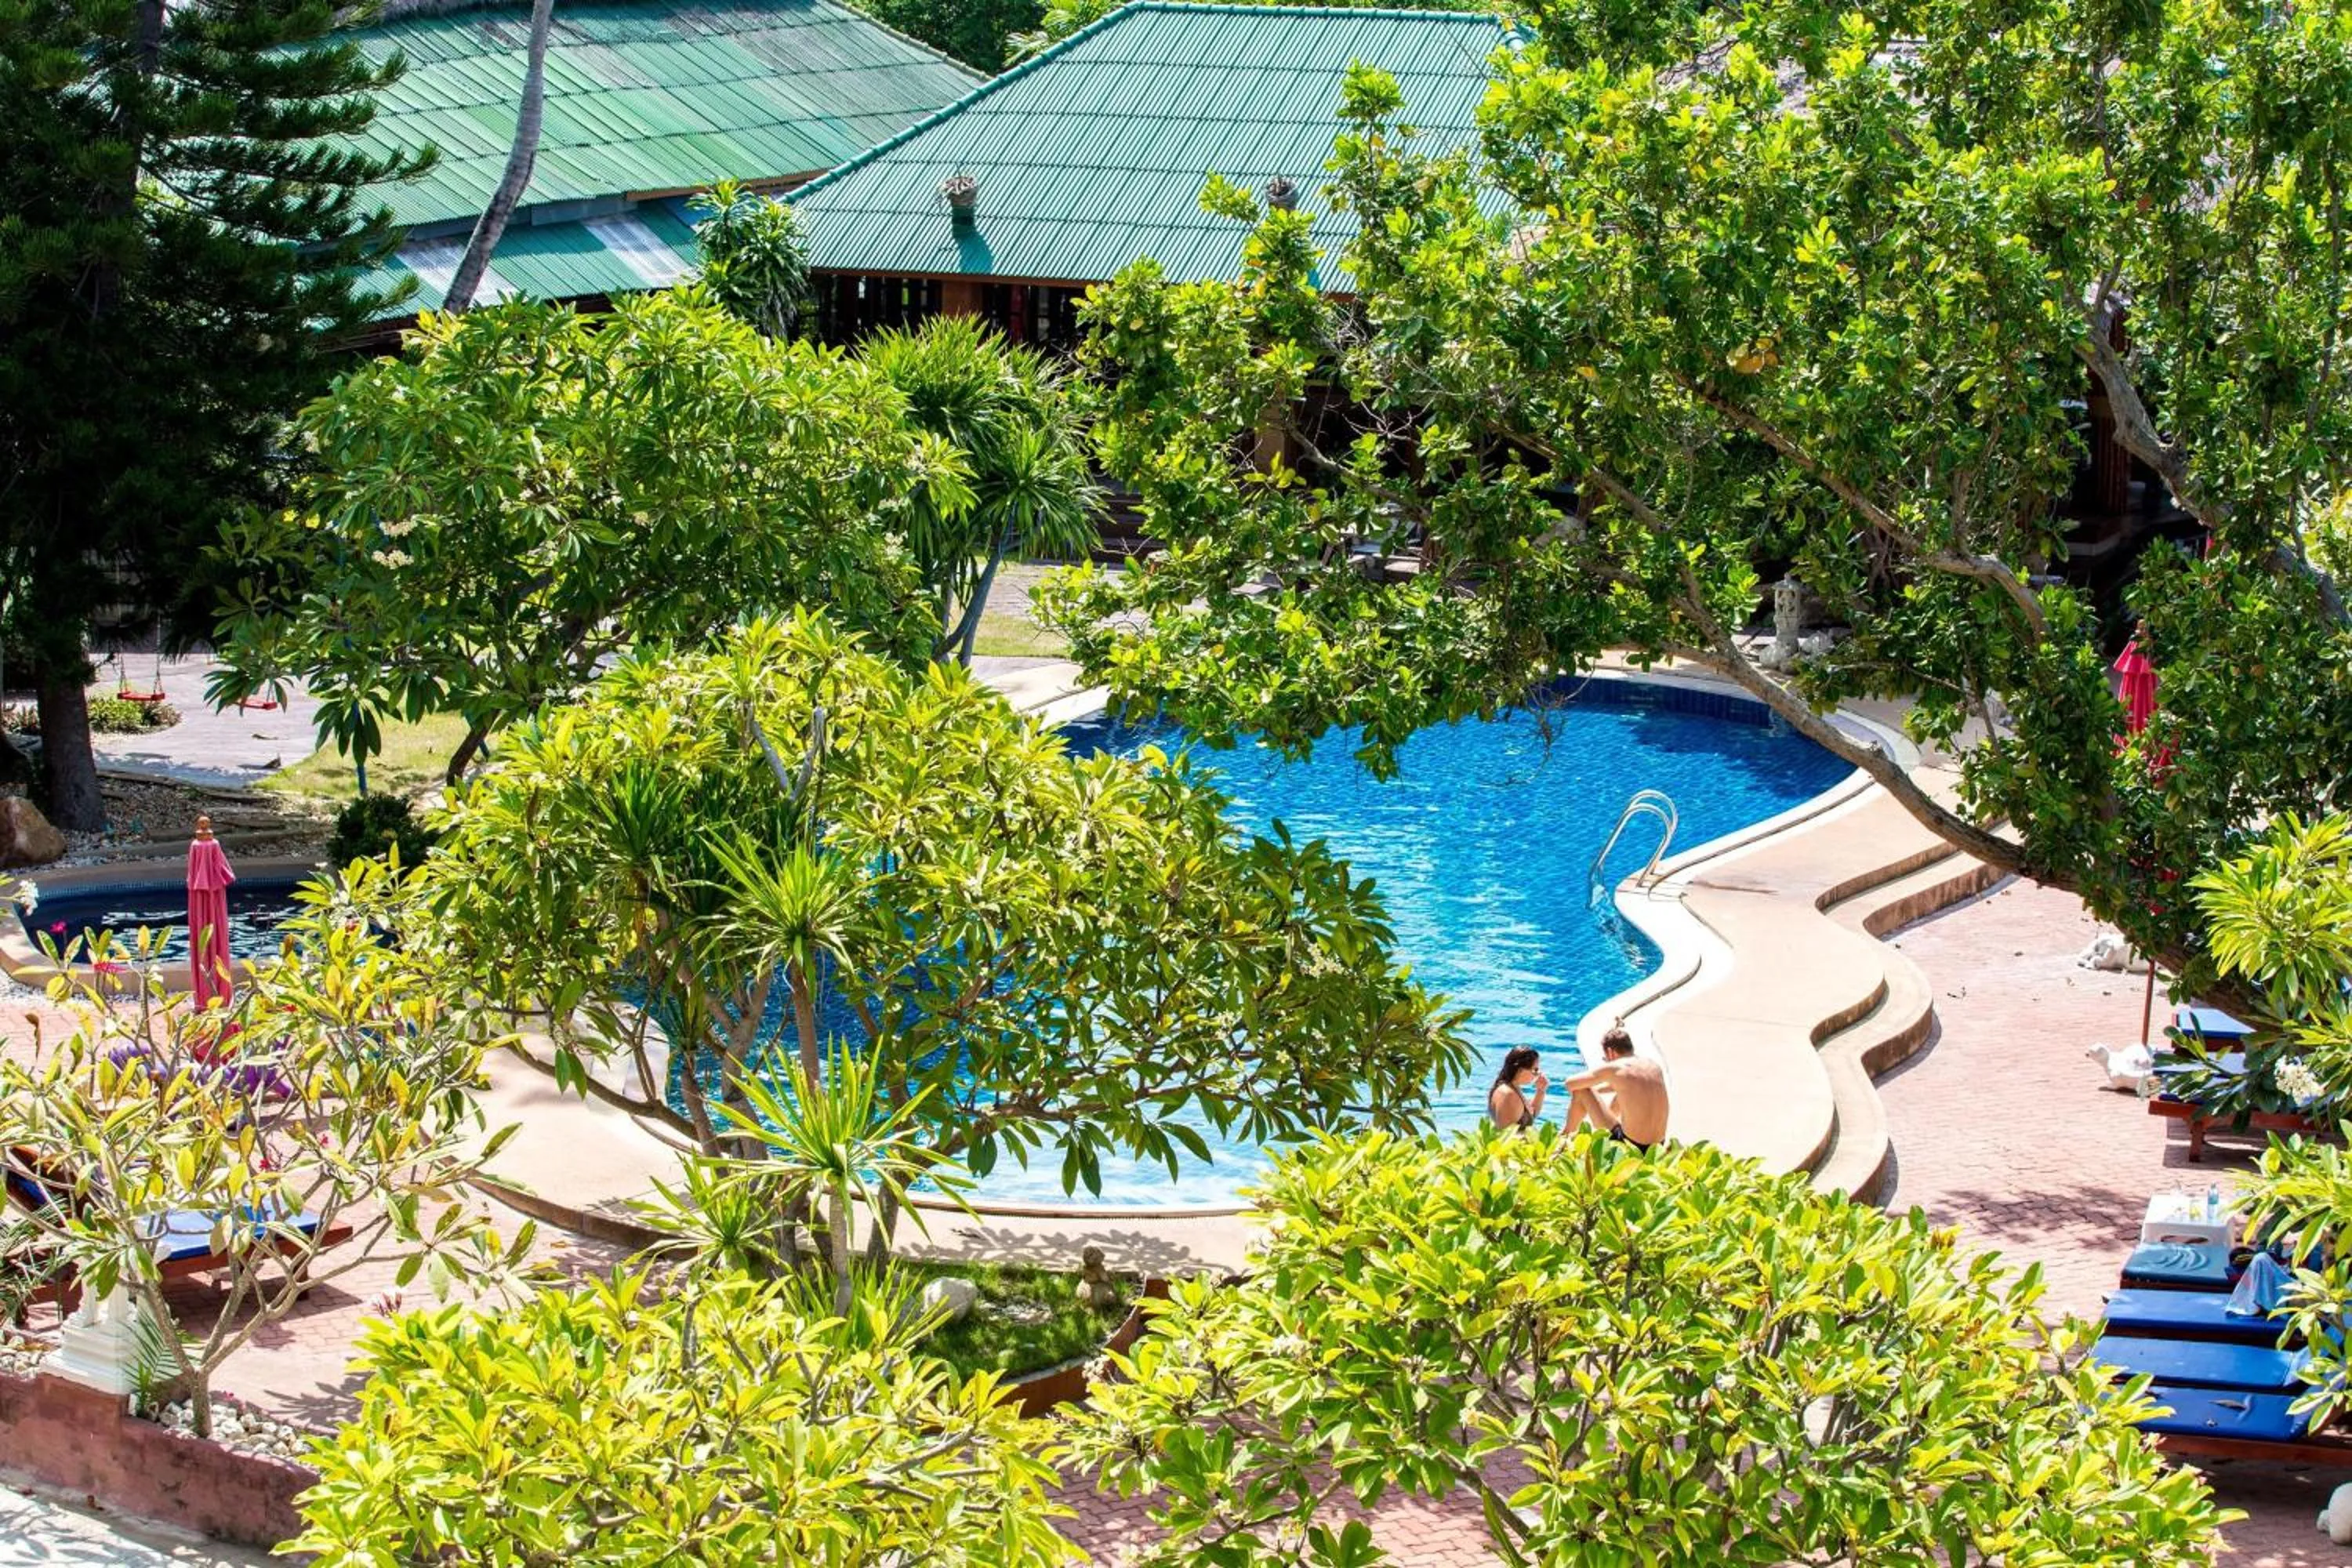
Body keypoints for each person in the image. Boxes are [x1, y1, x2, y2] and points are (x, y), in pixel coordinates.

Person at [1560, 1023, 1669, 1150]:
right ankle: (1602, 1131)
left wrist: (1588, 1097)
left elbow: (1570, 1084)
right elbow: (1626, 1087)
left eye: (1605, 1057)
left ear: (1610, 1052)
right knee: (1620, 1096)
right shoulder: (1652, 1065)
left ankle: (1565, 1139)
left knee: (1581, 1091)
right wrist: (1597, 1092)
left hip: (1630, 1146)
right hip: (1657, 1147)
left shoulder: (1617, 1068)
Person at [1487, 1046, 1548, 1131]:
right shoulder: (1508, 1095)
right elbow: (1506, 1134)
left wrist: (1541, 1091)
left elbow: (1530, 1114)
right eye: (1535, 1070)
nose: (1538, 1074)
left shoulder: (1512, 1087)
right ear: (1520, 1070)